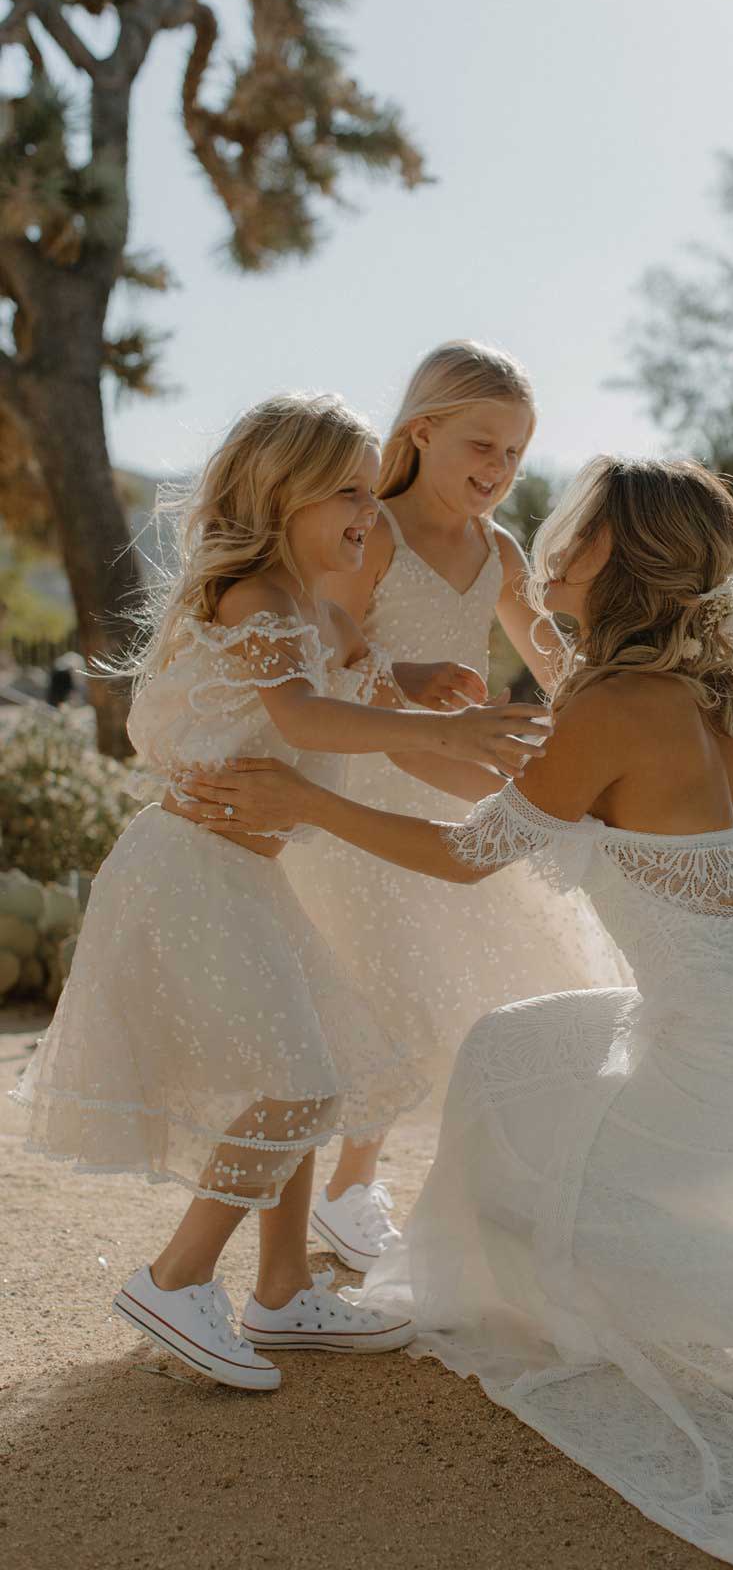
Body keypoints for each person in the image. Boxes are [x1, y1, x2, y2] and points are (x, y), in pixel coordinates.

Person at [181, 454, 733, 1562]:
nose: (552, 533)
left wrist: (301, 797)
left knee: (552, 1224)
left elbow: (470, 857)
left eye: (579, 524)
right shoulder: (694, 697)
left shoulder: (609, 700)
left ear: (614, 553)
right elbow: (541, 813)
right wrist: (412, 716)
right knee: (509, 1051)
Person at [12, 392, 545, 1393]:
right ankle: (174, 1279)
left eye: (365, 489)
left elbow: (346, 666)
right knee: (299, 1079)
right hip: (192, 868)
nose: (367, 509)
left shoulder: (311, 605)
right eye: (346, 491)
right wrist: (439, 736)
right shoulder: (252, 594)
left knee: (324, 1063)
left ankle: (284, 1286)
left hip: (247, 870)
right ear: (278, 495)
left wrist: (414, 676)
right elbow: (300, 715)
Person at [283, 341, 627, 1273]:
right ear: (421, 433)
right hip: (379, 783)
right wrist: (419, 693)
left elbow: (551, 657)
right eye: (481, 445)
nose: (497, 469)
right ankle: (344, 1190)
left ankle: (362, 1188)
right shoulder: (374, 534)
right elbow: (335, 651)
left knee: (454, 997)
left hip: (465, 785)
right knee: (384, 990)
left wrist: (614, 702)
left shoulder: (501, 550)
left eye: (514, 455)